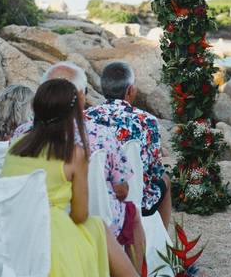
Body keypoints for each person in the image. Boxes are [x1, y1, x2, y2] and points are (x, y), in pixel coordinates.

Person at [1, 79, 191, 277]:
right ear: (74, 114)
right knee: (96, 228)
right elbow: (78, 214)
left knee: (94, 232)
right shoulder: (74, 153)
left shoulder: (14, 148)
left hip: (12, 239)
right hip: (47, 242)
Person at [16, 62, 143, 263]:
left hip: (31, 223)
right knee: (132, 213)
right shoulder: (101, 135)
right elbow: (121, 189)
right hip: (86, 220)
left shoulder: (21, 136)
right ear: (80, 97)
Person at [86, 61, 171, 233]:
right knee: (165, 179)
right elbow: (154, 169)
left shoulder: (85, 117)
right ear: (130, 90)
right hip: (135, 196)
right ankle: (161, 243)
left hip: (95, 194)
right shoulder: (147, 121)